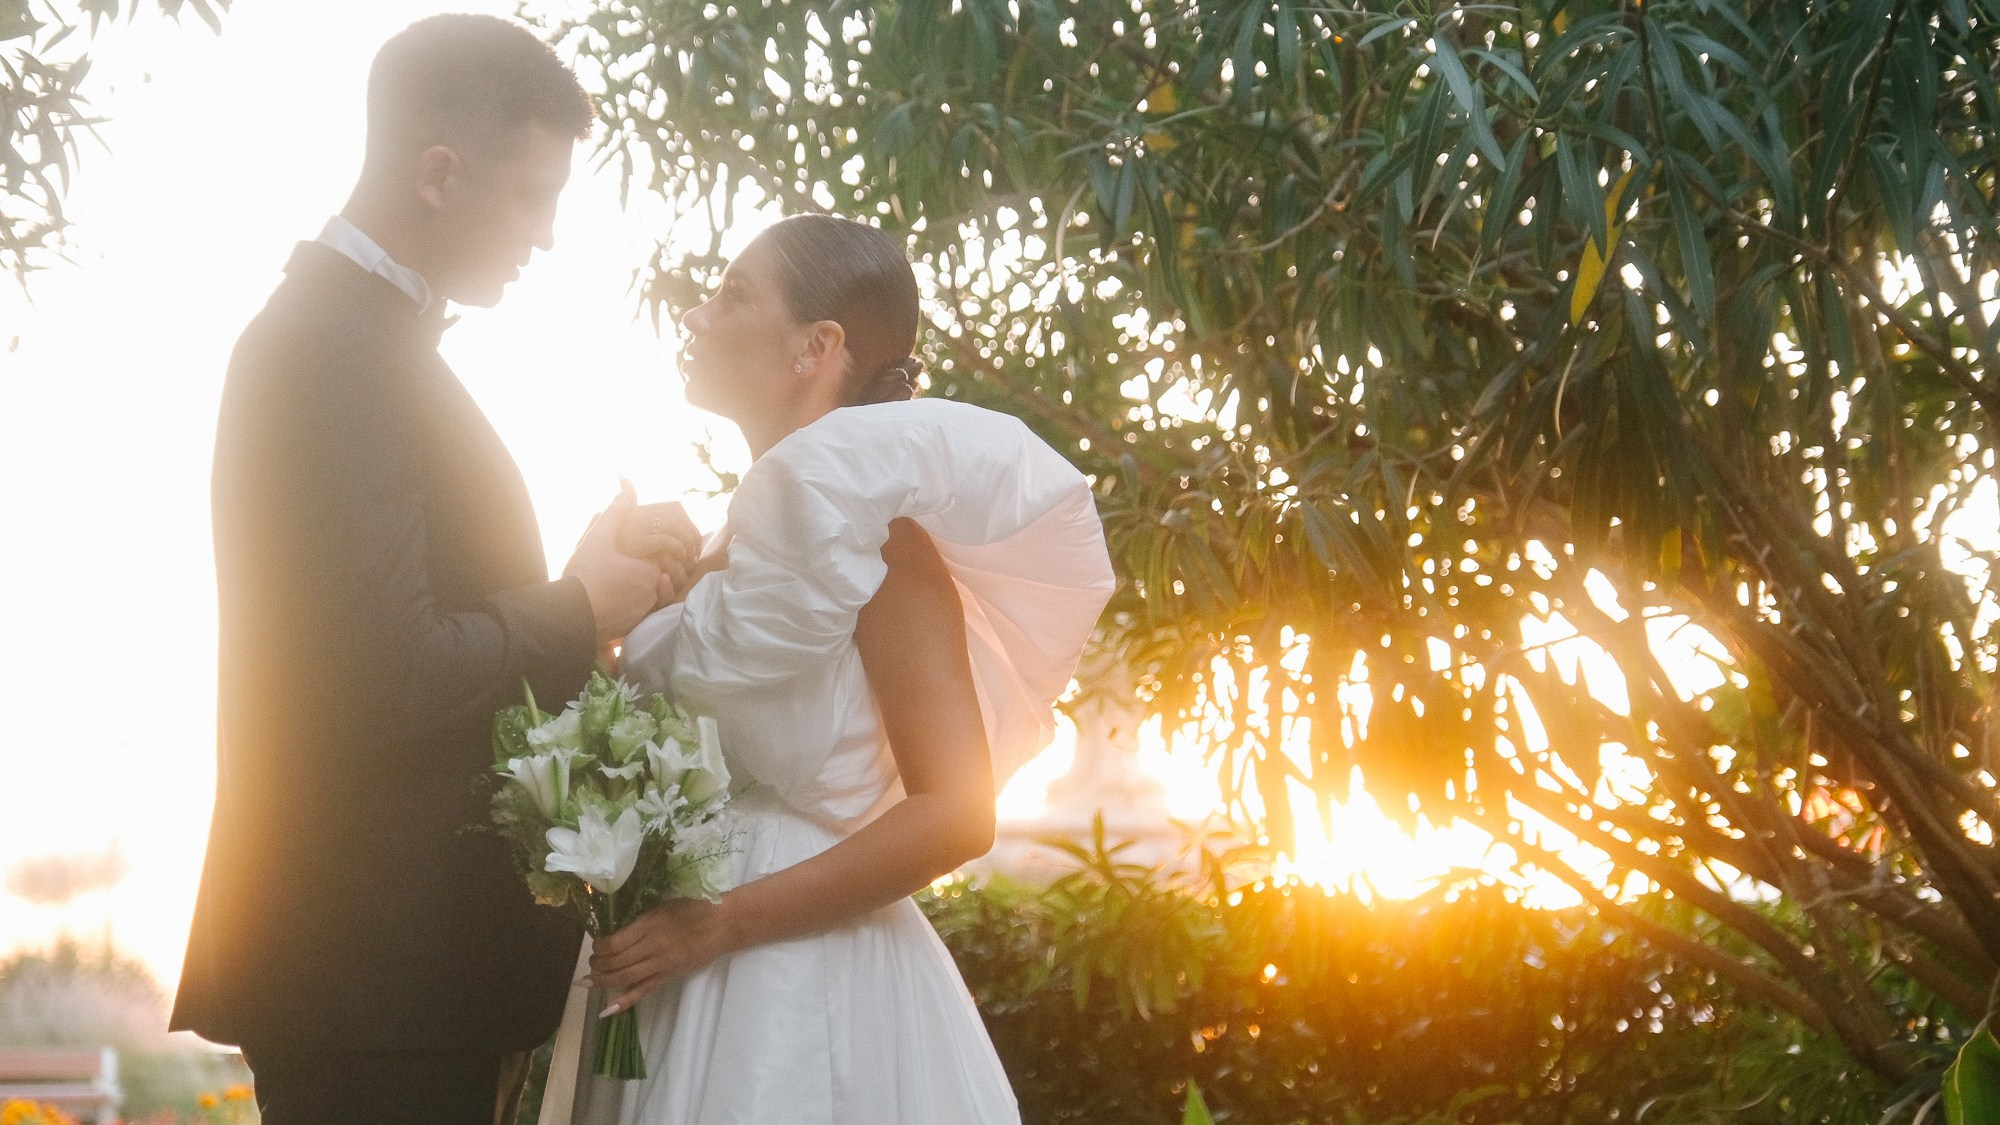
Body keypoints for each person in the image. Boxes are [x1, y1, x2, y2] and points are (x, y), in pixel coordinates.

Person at [170, 16, 699, 1125]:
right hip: (371, 980)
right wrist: (574, 605)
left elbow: (393, 624)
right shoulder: (331, 350)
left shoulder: (362, 343)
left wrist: (583, 586)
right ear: (439, 174)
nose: (546, 237)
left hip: (397, 977)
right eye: (533, 196)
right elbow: (379, 671)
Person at [534, 215, 1116, 1124]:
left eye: (731, 295)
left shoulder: (886, 538)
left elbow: (958, 811)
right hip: (667, 970)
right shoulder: (737, 542)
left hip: (792, 979)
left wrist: (722, 922)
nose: (694, 314)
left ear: (820, 344)